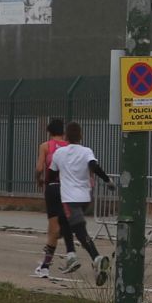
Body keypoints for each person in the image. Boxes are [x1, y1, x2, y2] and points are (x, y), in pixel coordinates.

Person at [49, 122, 114, 286]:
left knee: (77, 229)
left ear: (66, 137)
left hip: (69, 199)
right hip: (84, 198)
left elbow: (51, 174)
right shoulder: (86, 151)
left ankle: (96, 258)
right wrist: (107, 180)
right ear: (81, 136)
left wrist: (50, 182)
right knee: (65, 221)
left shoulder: (59, 153)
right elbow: (93, 166)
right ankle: (71, 255)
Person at [33, 117, 70, 277]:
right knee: (66, 224)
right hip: (69, 189)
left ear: (49, 131)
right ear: (63, 132)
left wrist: (38, 180)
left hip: (52, 188)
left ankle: (46, 265)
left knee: (53, 227)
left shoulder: (45, 146)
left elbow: (40, 167)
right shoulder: (70, 147)